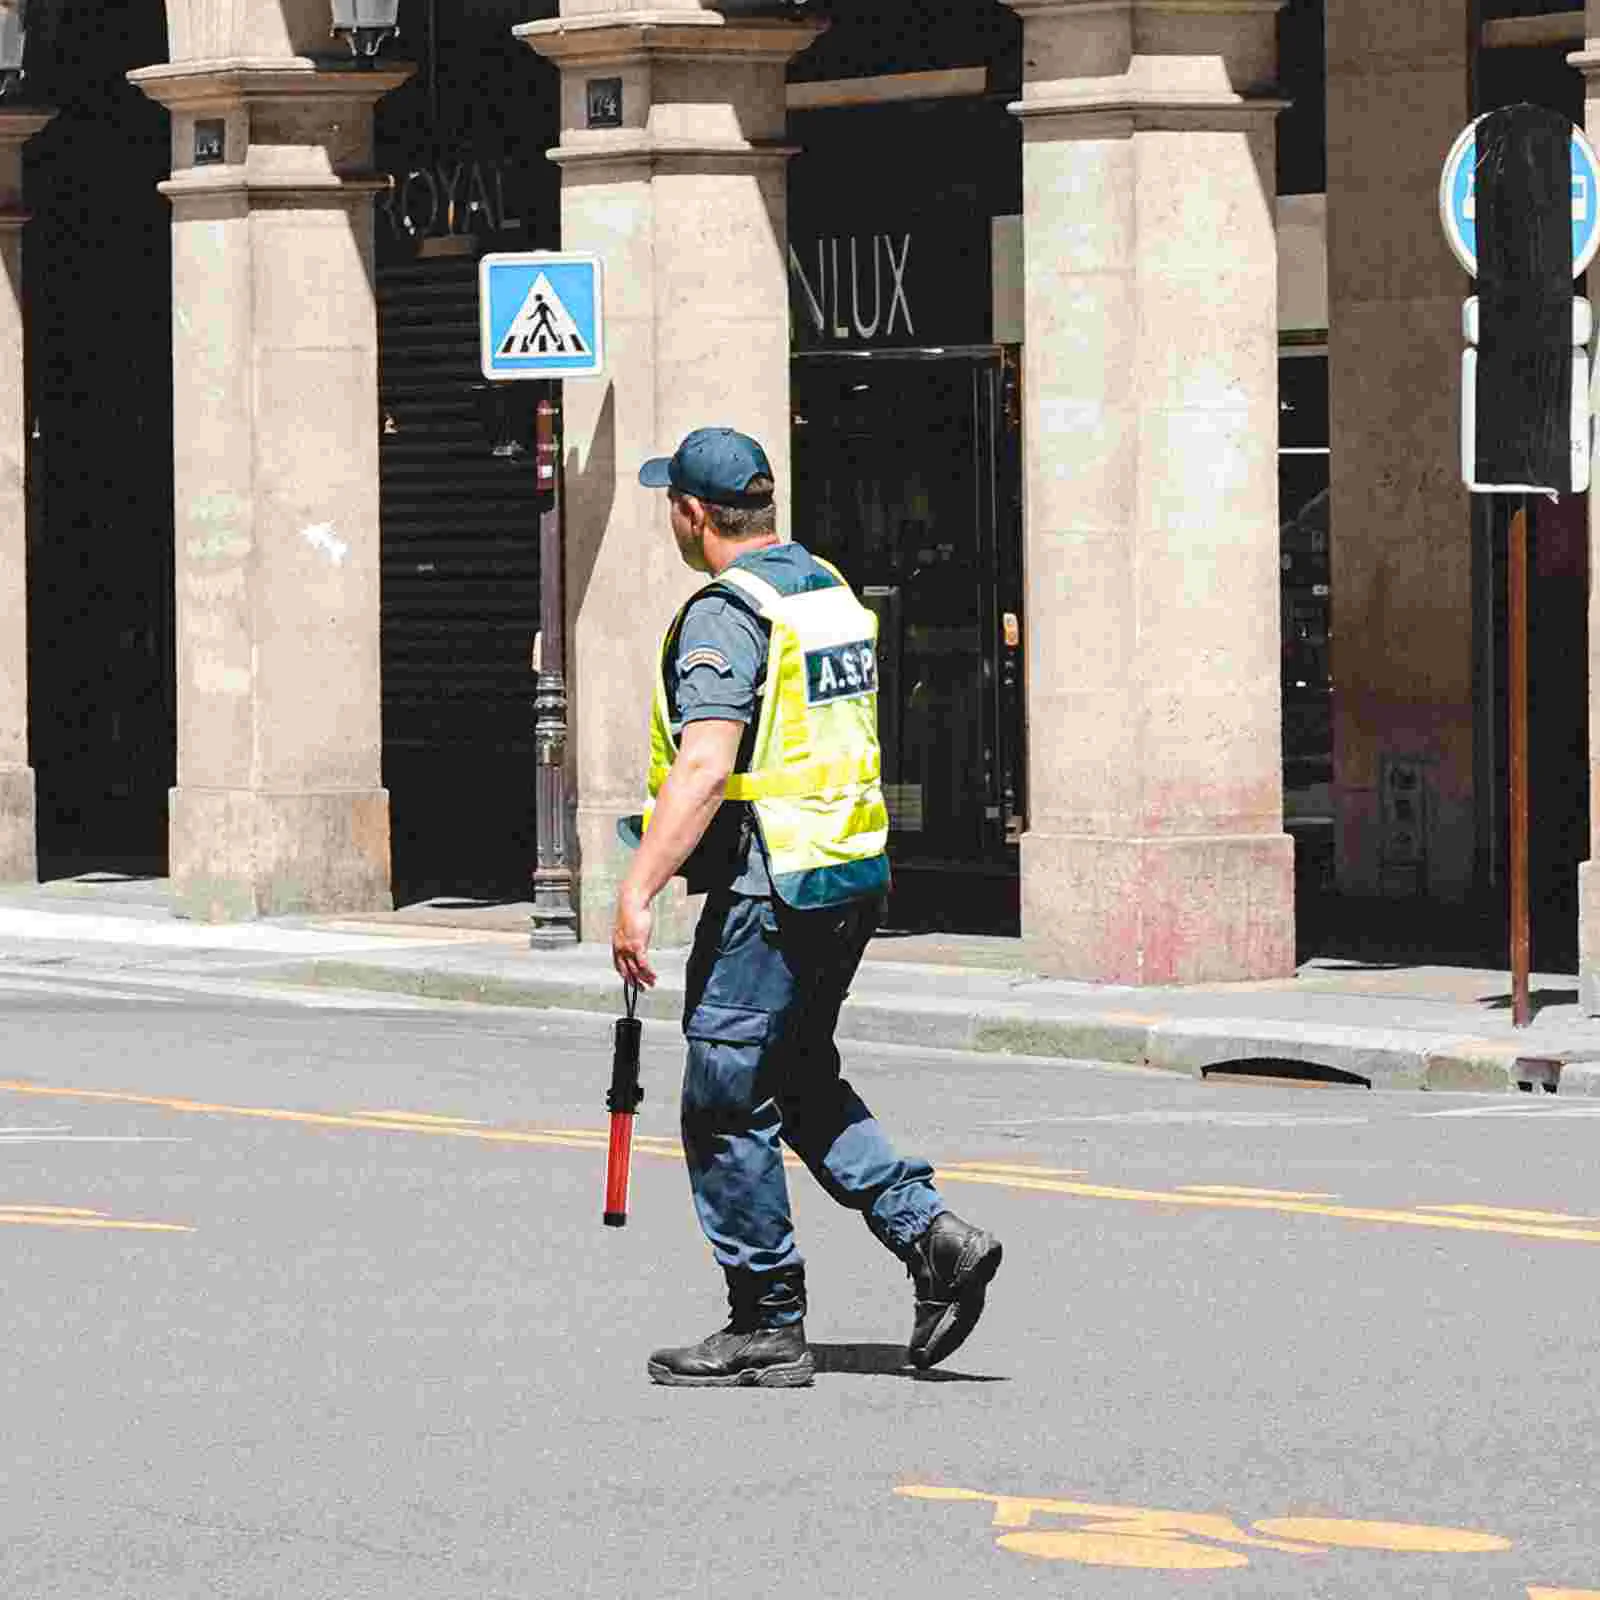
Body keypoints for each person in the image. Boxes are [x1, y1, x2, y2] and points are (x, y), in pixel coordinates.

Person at [612, 426, 1003, 1388]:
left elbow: (707, 761)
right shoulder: (820, 589)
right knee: (795, 1071)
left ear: (693, 515)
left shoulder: (726, 614)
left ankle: (765, 1322)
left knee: (722, 1093)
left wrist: (638, 886)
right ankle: (933, 1240)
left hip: (772, 883)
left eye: (673, 503)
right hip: (846, 870)